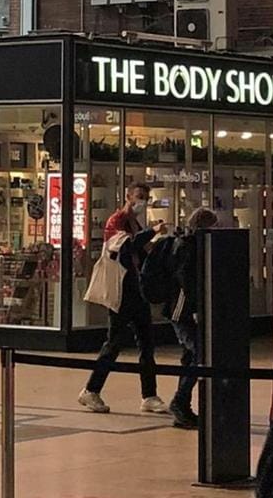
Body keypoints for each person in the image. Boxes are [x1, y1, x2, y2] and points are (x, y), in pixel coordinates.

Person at [78, 182, 166, 415]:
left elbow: (142, 251)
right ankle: (91, 389)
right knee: (115, 342)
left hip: (137, 291)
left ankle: (149, 394)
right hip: (121, 292)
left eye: (146, 197)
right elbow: (127, 245)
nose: (142, 201)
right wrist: (153, 232)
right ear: (128, 196)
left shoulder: (134, 223)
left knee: (147, 343)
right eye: (139, 197)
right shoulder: (115, 222)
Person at [166, 207, 218, 430]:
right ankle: (180, 400)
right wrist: (195, 307)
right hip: (183, 310)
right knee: (198, 352)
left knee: (190, 356)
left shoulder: (192, 244)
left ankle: (183, 405)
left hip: (188, 309)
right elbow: (186, 280)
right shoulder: (188, 247)